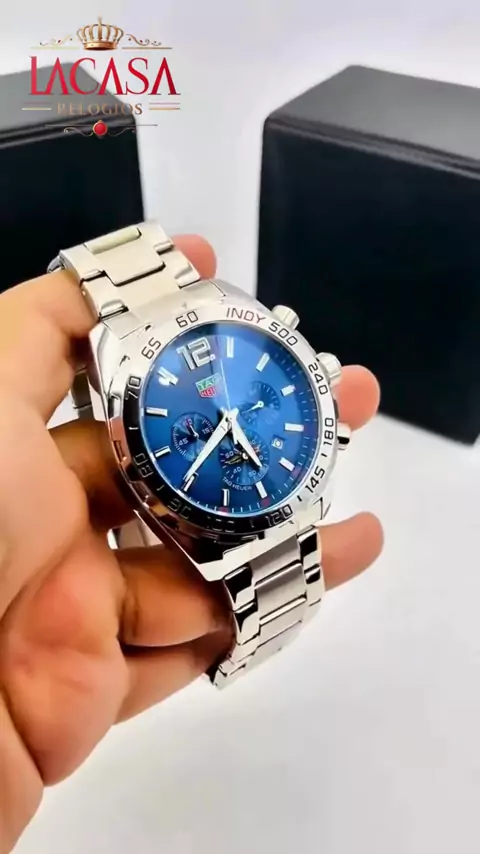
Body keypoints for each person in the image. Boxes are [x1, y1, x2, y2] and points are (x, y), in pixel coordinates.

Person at [0, 235, 383, 852]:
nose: (231, 420)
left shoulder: (254, 359)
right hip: (213, 501)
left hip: (277, 489)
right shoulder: (126, 385)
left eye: (238, 412)